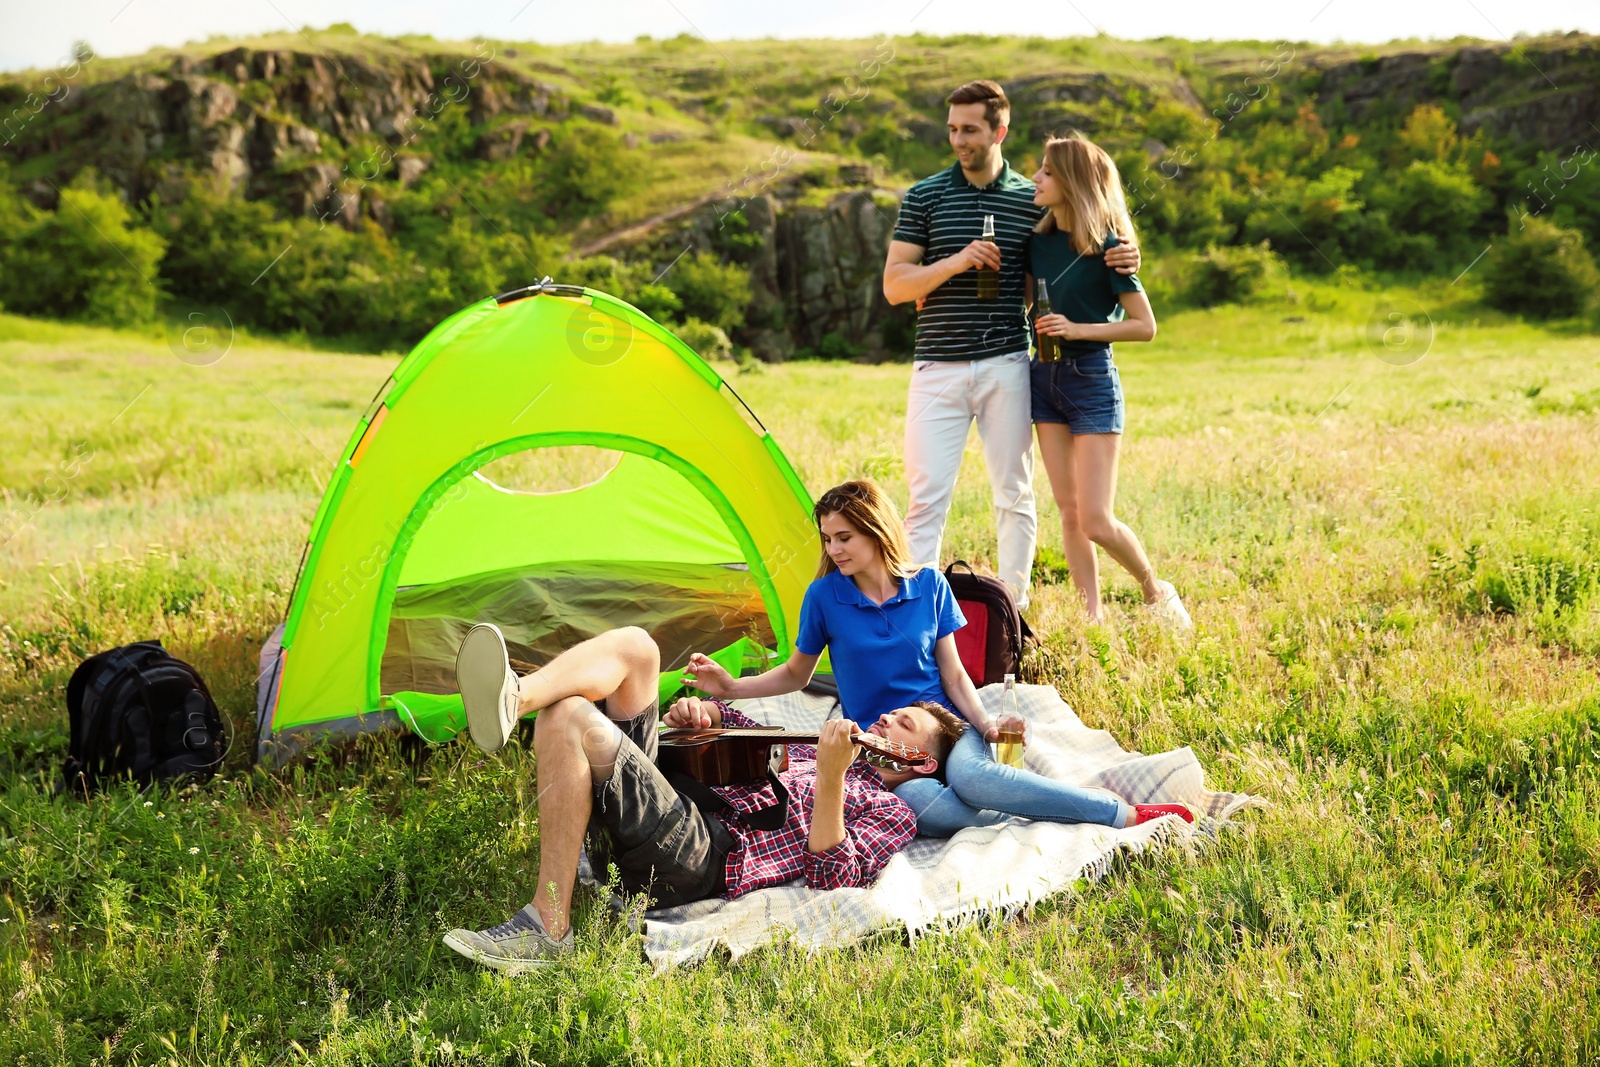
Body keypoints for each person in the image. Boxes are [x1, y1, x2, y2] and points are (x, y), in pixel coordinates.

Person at [442, 624, 964, 973]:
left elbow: (834, 876)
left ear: (922, 762)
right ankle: (516, 697)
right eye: (894, 713)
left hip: (705, 854)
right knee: (638, 648)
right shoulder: (817, 744)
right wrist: (707, 716)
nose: (888, 717)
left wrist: (831, 779)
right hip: (680, 803)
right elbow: (745, 736)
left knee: (569, 715)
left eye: (907, 722)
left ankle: (547, 928)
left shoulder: (890, 811)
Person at [686, 480, 1192, 837]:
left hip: (941, 723)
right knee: (926, 810)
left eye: (845, 537)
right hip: (880, 743)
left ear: (876, 532)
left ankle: (1120, 814)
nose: (834, 549)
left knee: (973, 778)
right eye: (827, 539)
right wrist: (730, 687)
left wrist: (986, 724)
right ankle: (1011, 792)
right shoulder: (824, 597)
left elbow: (953, 672)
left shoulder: (929, 585)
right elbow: (797, 674)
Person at [883, 80, 1140, 612]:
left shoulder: (1032, 198)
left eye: (971, 129)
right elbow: (894, 285)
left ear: (999, 130)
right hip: (936, 366)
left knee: (1015, 495)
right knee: (925, 499)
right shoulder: (925, 195)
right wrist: (954, 263)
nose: (959, 139)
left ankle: (1012, 612)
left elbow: (1085, 239)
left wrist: (1129, 255)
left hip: (1007, 361)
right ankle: (917, 616)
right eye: (952, 128)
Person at [1028, 133, 1191, 629]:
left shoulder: (1111, 249)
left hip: (1092, 380)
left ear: (1073, 182)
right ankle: (1091, 620)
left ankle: (1154, 590)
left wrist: (1077, 329)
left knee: (1097, 518)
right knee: (1070, 512)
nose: (1036, 178)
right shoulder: (1035, 243)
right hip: (1043, 380)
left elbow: (1145, 325)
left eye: (1048, 172)